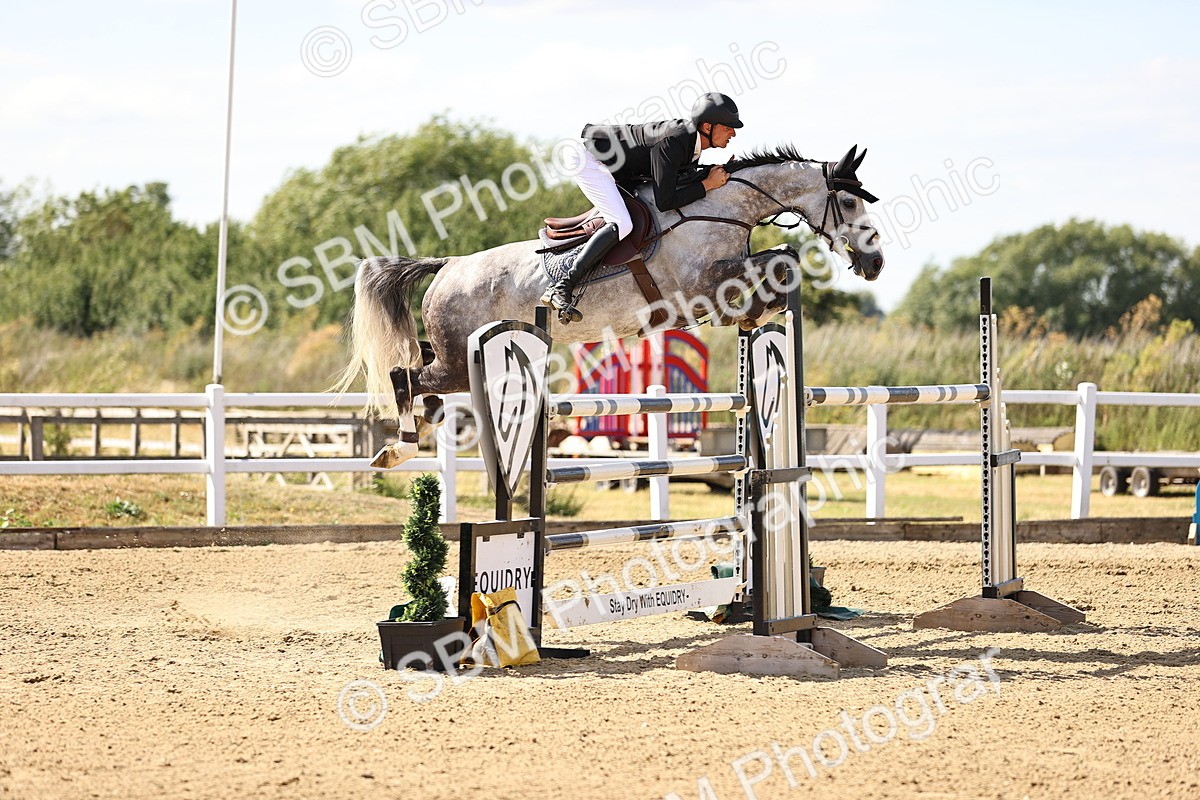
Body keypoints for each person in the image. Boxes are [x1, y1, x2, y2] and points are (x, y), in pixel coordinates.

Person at [540, 92, 743, 323]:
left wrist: (711, 173)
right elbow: (665, 201)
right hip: (590, 159)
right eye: (728, 128)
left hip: (618, 168)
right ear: (708, 126)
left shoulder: (689, 143)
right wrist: (707, 184)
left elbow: (678, 177)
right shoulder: (676, 139)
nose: (733, 133)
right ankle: (562, 285)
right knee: (622, 223)